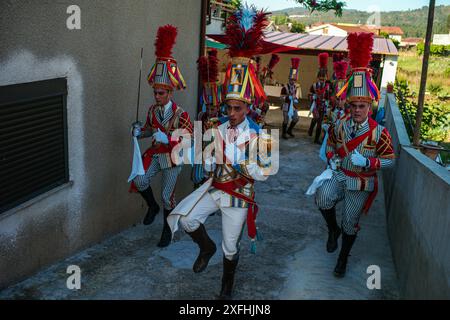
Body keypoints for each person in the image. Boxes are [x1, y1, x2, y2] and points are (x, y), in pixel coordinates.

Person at [167, 5, 273, 300]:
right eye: (229, 107)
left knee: (231, 246)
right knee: (185, 219)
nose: (232, 112)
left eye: (237, 108)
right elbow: (202, 154)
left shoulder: (260, 136)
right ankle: (205, 247)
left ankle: (226, 286)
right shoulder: (217, 126)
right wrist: (187, 148)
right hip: (215, 188)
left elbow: (263, 174)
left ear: (248, 108)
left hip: (238, 196)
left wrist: (242, 161)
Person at [313, 32, 395, 277]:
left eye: (362, 106)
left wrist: (369, 161)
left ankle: (343, 258)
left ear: (370, 107)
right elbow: (330, 146)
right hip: (340, 175)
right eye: (354, 105)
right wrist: (331, 158)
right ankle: (332, 230)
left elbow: (390, 159)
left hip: (361, 182)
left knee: (351, 222)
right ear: (348, 106)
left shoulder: (380, 132)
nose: (357, 110)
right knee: (322, 197)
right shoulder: (339, 125)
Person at [130, 25, 193, 248]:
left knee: (168, 196)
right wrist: (140, 133)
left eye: (161, 93)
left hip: (173, 158)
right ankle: (152, 207)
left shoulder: (180, 113)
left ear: (170, 92)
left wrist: (170, 138)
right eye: (155, 92)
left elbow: (189, 138)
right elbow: (149, 129)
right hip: (157, 155)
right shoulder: (151, 111)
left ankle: (167, 230)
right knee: (139, 180)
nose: (156, 96)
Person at [308, 53, 331, 144]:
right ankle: (310, 130)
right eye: (320, 79)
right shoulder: (314, 85)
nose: (322, 81)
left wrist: (327, 101)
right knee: (315, 119)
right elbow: (309, 95)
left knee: (320, 122)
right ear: (318, 78)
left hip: (323, 106)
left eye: (323, 79)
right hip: (315, 105)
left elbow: (328, 96)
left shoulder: (328, 86)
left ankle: (316, 139)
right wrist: (312, 97)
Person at [280, 58, 301, 139]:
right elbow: (281, 97)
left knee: (296, 118)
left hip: (293, 106)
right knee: (286, 119)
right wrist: (287, 96)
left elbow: (295, 96)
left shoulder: (295, 87)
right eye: (291, 79)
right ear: (289, 79)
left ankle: (289, 130)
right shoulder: (284, 87)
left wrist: (295, 99)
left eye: (294, 80)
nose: (293, 81)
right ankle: (283, 133)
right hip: (286, 105)